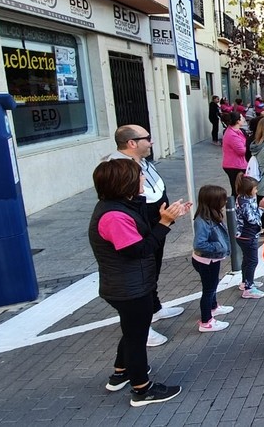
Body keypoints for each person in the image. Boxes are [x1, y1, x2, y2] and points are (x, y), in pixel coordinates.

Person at [89, 159, 188, 406]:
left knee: (132, 329)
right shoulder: (113, 216)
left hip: (129, 284)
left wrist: (165, 217)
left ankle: (120, 373)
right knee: (136, 336)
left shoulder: (122, 206)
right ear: (125, 183)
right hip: (128, 287)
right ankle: (141, 389)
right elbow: (140, 249)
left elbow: (141, 232)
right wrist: (165, 223)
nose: (144, 180)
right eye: (139, 177)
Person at [105, 125, 181, 348]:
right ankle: (141, 328)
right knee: (140, 273)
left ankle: (155, 307)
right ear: (132, 143)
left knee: (152, 268)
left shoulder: (141, 162)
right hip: (139, 229)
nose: (151, 142)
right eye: (146, 138)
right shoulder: (118, 168)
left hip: (154, 223)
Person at [191, 185, 233, 333]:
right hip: (206, 261)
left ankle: (213, 307)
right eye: (222, 199)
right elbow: (199, 243)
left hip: (211, 260)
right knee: (208, 290)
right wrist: (218, 246)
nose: (225, 202)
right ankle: (206, 321)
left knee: (213, 285)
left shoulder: (211, 215)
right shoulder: (202, 220)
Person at [234, 175, 264, 299]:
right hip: (247, 236)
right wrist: (262, 208)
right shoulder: (244, 203)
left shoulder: (243, 198)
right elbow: (252, 219)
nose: (256, 191)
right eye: (255, 189)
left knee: (247, 260)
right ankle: (249, 288)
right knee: (252, 261)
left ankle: (246, 282)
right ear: (248, 190)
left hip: (244, 236)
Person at [221, 111, 248, 196]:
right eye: (242, 118)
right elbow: (241, 151)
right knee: (237, 190)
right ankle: (234, 207)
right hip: (234, 166)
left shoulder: (237, 131)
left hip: (238, 164)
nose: (244, 119)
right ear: (237, 121)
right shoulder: (231, 134)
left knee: (239, 189)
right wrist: (249, 147)